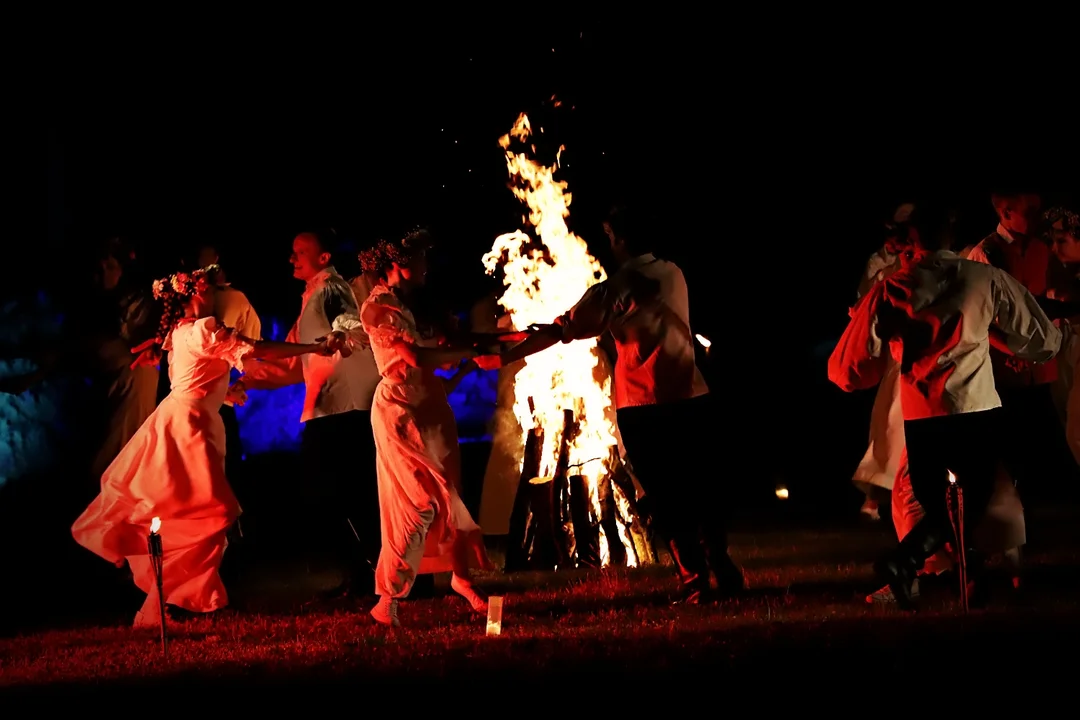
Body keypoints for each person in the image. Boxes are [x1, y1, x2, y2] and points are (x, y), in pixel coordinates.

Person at [476, 204, 744, 604]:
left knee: (667, 495)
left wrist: (504, 357)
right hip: (693, 396)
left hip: (648, 404)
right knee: (699, 489)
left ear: (619, 239)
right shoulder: (673, 273)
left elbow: (565, 329)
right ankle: (723, 573)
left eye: (611, 236)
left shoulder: (621, 285)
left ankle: (695, 582)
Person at [71, 265, 340, 627]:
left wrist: (224, 392)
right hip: (189, 429)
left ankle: (172, 601)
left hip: (188, 421)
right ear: (195, 295)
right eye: (208, 287)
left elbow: (190, 377)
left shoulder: (179, 332)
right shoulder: (202, 328)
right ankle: (176, 599)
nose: (215, 290)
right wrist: (316, 346)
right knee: (210, 513)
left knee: (191, 515)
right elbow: (257, 350)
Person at [828, 210, 1061, 608]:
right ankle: (919, 564)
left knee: (936, 504)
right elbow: (1042, 339)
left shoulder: (893, 288)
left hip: (924, 415)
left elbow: (849, 368)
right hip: (975, 408)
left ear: (912, 239)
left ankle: (932, 568)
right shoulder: (981, 278)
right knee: (974, 499)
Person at [341, 229, 508, 627]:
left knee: (451, 497)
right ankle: (388, 599)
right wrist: (471, 352)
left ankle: (462, 579)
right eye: (421, 260)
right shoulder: (378, 308)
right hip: (400, 412)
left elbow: (454, 344)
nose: (427, 267)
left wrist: (510, 337)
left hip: (432, 406)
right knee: (419, 503)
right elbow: (414, 356)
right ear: (398, 263)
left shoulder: (413, 303)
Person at [238, 230, 384, 596]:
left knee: (340, 494)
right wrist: (245, 380)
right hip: (328, 410)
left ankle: (375, 575)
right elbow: (291, 360)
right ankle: (366, 574)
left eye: (300, 252)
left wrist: (344, 333)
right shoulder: (311, 299)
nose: (292, 258)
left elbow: (347, 320)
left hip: (345, 409)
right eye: (292, 252)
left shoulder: (332, 288)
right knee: (332, 496)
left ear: (323, 258)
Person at [193, 241, 262, 486]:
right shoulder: (179, 312)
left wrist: (239, 385)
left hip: (220, 406)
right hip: (191, 409)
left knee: (225, 476)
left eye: (214, 264)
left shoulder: (235, 300)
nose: (209, 272)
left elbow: (252, 352)